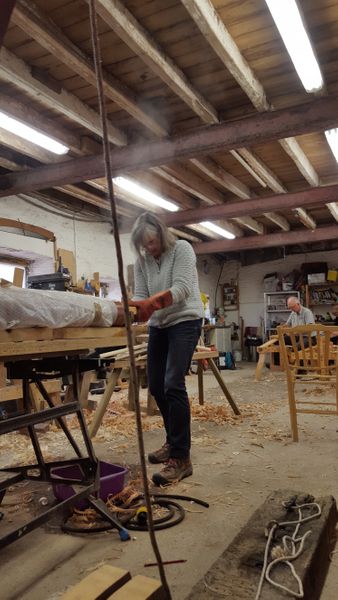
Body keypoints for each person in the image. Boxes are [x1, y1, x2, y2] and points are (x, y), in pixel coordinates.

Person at [128, 212, 204, 485]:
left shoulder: (182, 248)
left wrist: (152, 303)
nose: (150, 248)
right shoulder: (142, 261)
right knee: (157, 386)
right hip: (159, 325)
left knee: (173, 383)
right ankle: (172, 443)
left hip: (185, 319)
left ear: (162, 233)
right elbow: (140, 294)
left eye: (153, 241)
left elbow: (182, 288)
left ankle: (182, 458)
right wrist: (131, 308)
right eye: (145, 245)